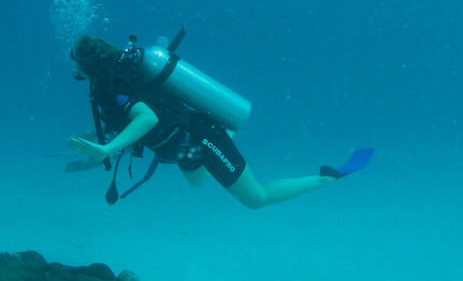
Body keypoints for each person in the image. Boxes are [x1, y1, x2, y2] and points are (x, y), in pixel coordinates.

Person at [66, 34, 372, 209]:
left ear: (88, 64)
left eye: (75, 62)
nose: (74, 69)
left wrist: (107, 150)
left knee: (256, 199)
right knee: (198, 182)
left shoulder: (112, 86)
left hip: (199, 136)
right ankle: (226, 130)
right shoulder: (113, 81)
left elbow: (147, 117)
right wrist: (98, 143)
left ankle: (327, 177)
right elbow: (130, 120)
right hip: (179, 146)